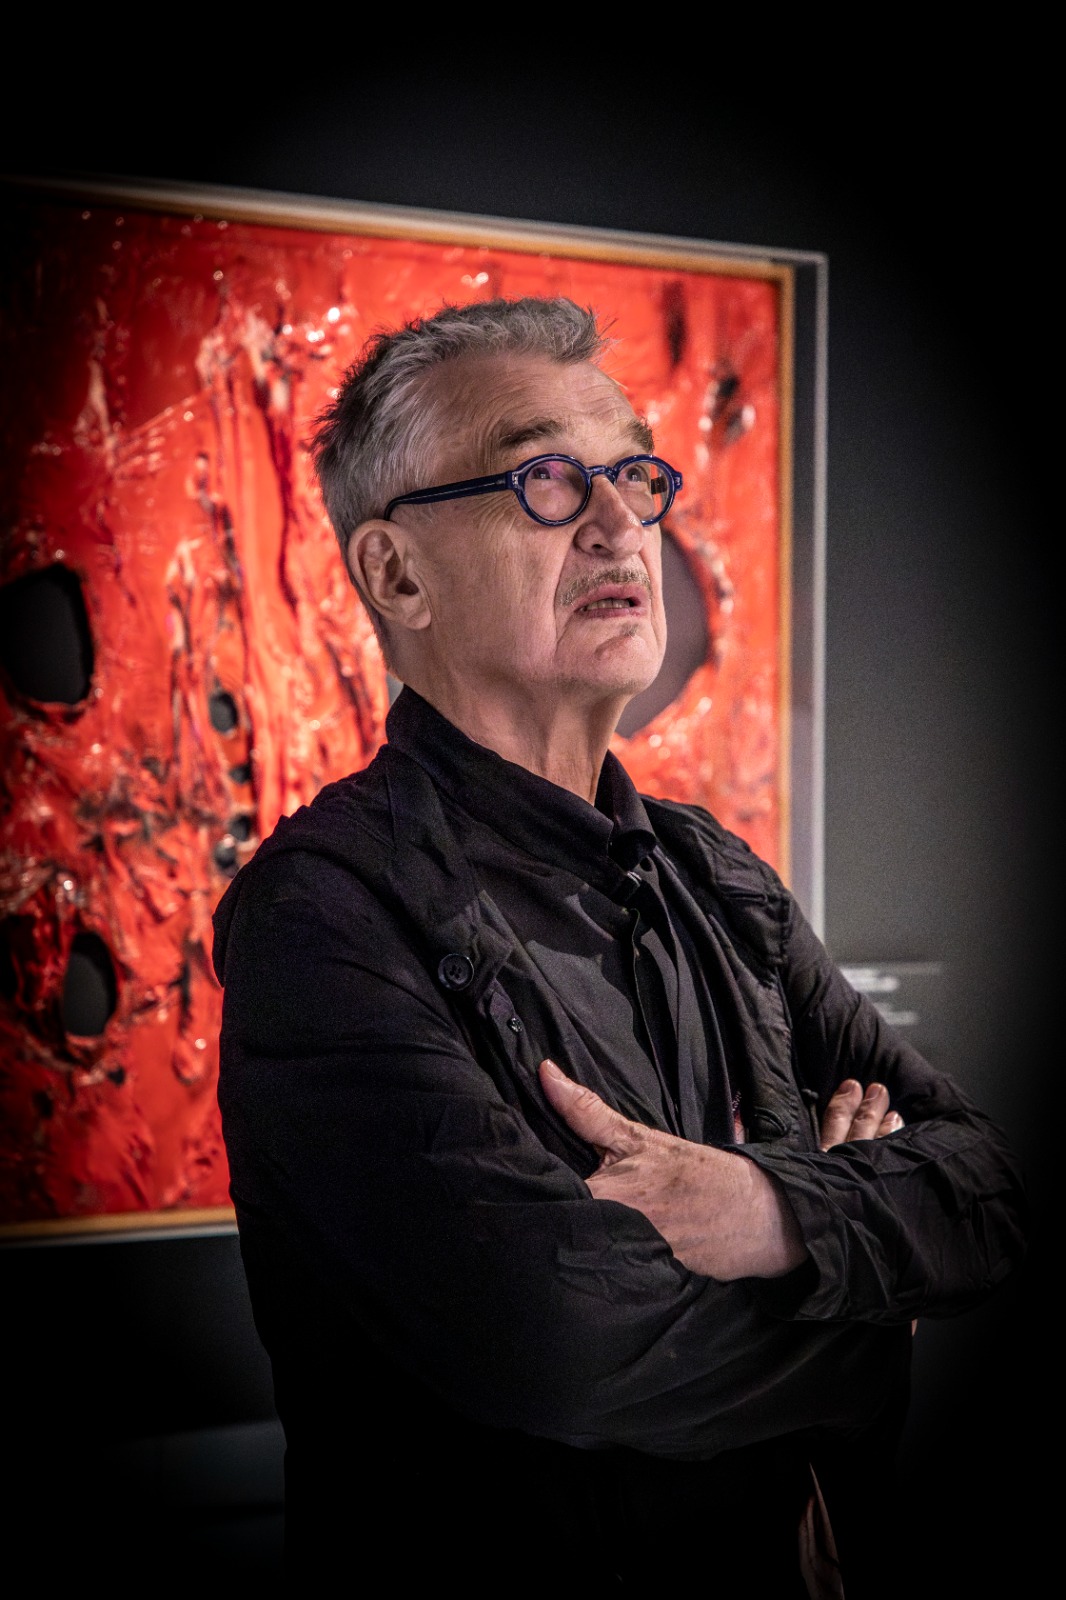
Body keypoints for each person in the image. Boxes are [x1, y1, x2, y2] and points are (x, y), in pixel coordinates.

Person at [212, 297, 1026, 1596]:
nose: (618, 523)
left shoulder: (716, 876)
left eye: (634, 476)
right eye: (544, 479)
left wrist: (764, 1210)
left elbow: (989, 1190)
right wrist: (876, 1302)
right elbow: (561, 1344)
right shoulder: (324, 912)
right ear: (397, 575)